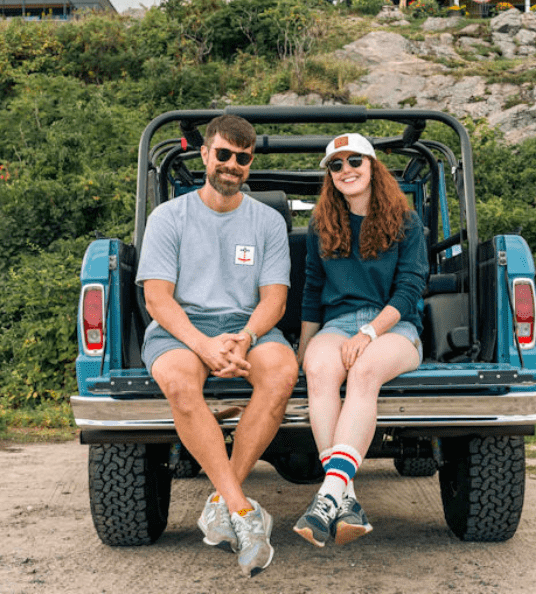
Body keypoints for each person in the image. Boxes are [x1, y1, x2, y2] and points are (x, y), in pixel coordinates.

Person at [136, 114, 298, 577]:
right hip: (182, 329)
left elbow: (275, 298)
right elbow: (158, 298)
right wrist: (205, 346)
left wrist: (245, 338)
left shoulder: (267, 221)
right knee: (179, 384)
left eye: (242, 158)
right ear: (205, 154)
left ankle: (221, 502)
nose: (232, 164)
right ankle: (244, 513)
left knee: (282, 373)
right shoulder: (170, 216)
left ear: (249, 164)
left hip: (248, 326)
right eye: (223, 154)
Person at [293, 133, 429, 547]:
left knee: (364, 370)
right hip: (337, 325)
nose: (346, 170)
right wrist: (302, 350)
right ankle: (344, 498)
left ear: (373, 168)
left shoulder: (406, 221)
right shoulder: (322, 224)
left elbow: (409, 291)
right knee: (319, 370)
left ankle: (326, 495)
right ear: (329, 175)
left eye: (355, 161)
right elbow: (313, 291)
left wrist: (370, 333)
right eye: (336, 165)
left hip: (393, 326)